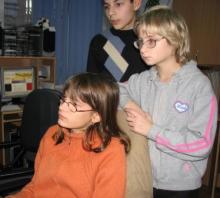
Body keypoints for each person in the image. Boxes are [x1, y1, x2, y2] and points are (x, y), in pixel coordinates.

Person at [119, 5, 218, 198]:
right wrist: (130, 105)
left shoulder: (199, 86)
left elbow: (202, 144)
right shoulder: (143, 80)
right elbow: (116, 89)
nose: (143, 49)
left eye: (152, 41)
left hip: (180, 187)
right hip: (144, 179)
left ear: (175, 39)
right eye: (141, 42)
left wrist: (151, 130)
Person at [7, 73, 130, 198]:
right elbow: (35, 187)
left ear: (96, 116)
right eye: (64, 99)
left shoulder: (111, 150)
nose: (62, 107)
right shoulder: (52, 134)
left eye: (74, 105)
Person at [87, 0, 151, 82]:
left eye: (118, 4)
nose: (110, 13)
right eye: (107, 6)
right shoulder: (100, 42)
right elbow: (91, 88)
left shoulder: (152, 40)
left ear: (136, 3)